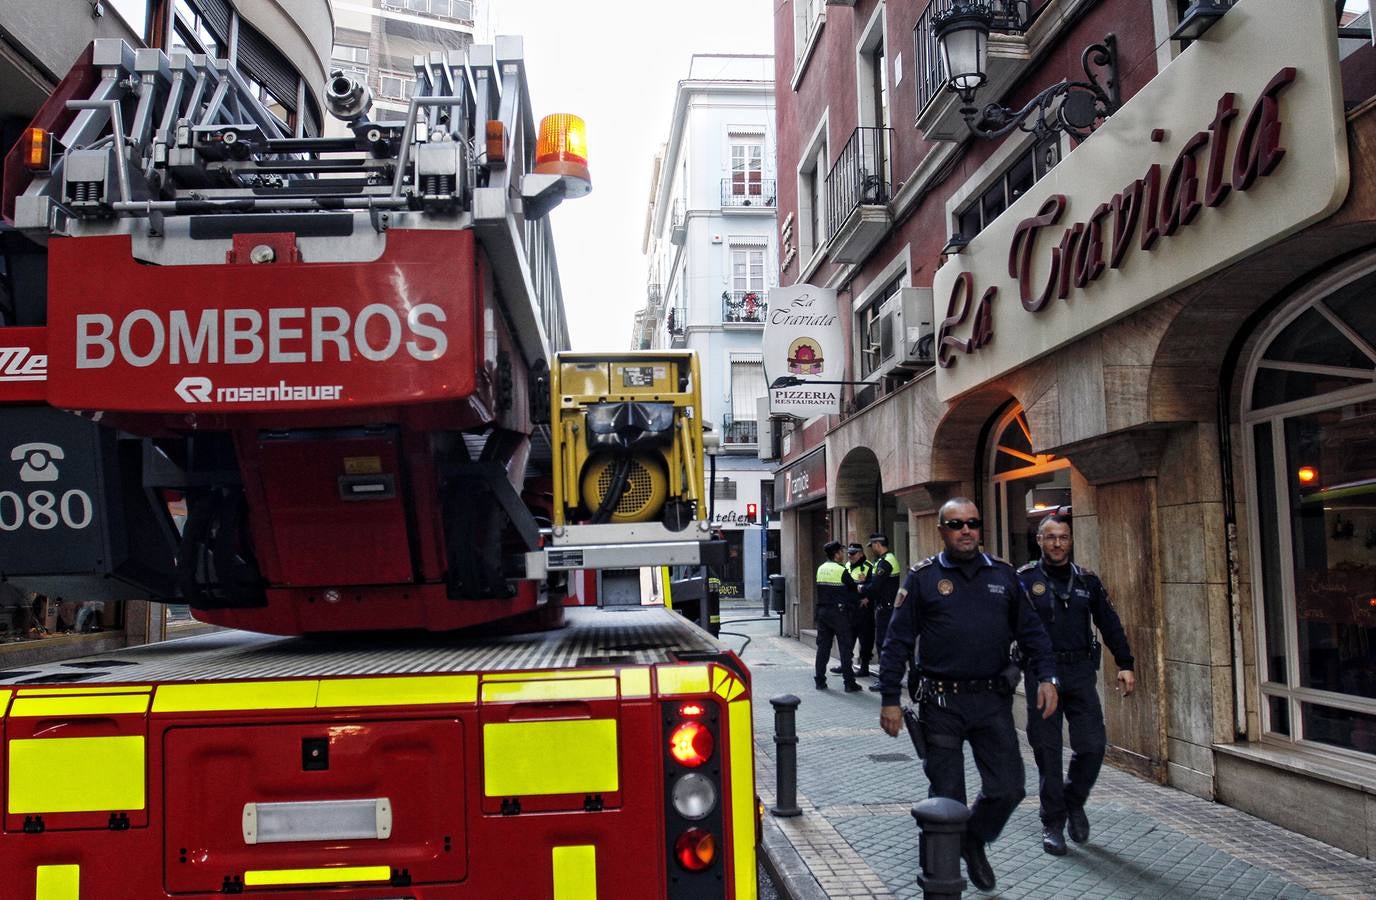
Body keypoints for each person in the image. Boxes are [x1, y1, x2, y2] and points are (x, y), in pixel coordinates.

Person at [877, 498, 1059, 892]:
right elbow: (897, 642)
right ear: (942, 530)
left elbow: (1033, 633)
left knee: (1009, 787)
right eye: (956, 524)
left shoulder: (1006, 576)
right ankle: (942, 871)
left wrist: (1047, 678)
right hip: (941, 703)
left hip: (992, 702)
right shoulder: (923, 577)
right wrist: (889, 698)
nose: (966, 530)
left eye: (973, 523)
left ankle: (972, 839)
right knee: (948, 796)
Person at [1016, 514, 1135, 856]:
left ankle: (1074, 800)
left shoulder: (1086, 580)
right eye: (1050, 537)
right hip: (1042, 674)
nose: (1057, 543)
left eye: (1063, 537)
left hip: (1080, 671)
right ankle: (1053, 822)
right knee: (1048, 751)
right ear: (1039, 540)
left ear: (1070, 540)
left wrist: (1125, 663)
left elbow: (1109, 623)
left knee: (1093, 746)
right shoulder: (1024, 580)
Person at [814, 540, 863, 692]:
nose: (843, 554)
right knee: (845, 648)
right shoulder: (841, 570)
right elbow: (853, 590)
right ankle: (849, 683)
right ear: (836, 554)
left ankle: (820, 681)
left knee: (823, 648)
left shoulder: (821, 569)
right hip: (839, 614)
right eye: (841, 552)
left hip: (823, 613)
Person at [862, 533, 901, 692]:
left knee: (883, 645)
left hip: (886, 609)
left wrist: (861, 588)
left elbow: (876, 587)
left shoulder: (885, 562)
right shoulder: (885, 560)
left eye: (873, 546)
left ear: (878, 544)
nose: (872, 549)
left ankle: (886, 680)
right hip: (887, 607)